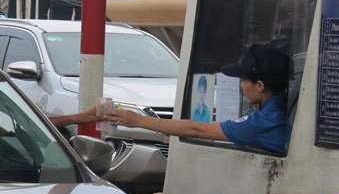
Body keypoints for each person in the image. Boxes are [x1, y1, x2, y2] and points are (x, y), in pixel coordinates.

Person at [107, 44, 292, 154]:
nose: (241, 86)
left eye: (243, 80)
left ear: (259, 85)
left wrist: (140, 120)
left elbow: (196, 129)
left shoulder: (261, 123)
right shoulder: (284, 106)